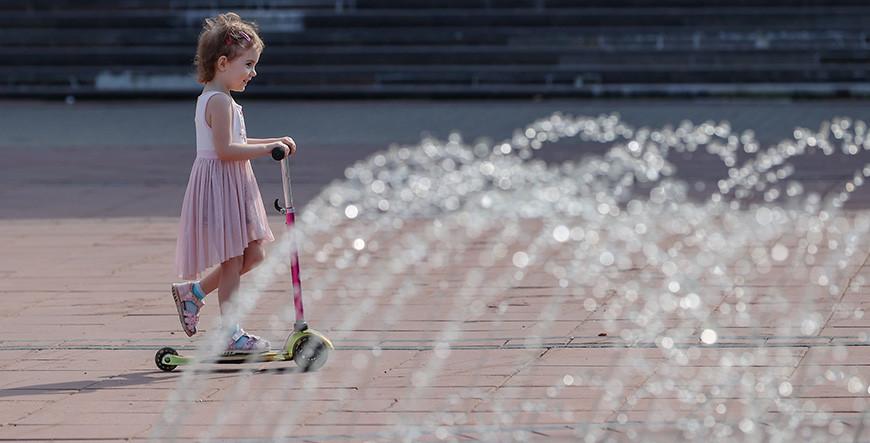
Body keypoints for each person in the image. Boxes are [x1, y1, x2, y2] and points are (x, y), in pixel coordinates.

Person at [171, 12, 295, 354]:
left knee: (252, 254)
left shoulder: (219, 99)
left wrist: (273, 140)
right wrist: (267, 148)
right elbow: (226, 150)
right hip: (221, 181)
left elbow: (235, 140)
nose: (253, 73)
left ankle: (193, 293)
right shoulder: (219, 101)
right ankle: (230, 334)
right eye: (248, 64)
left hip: (230, 181)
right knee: (231, 260)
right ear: (223, 62)